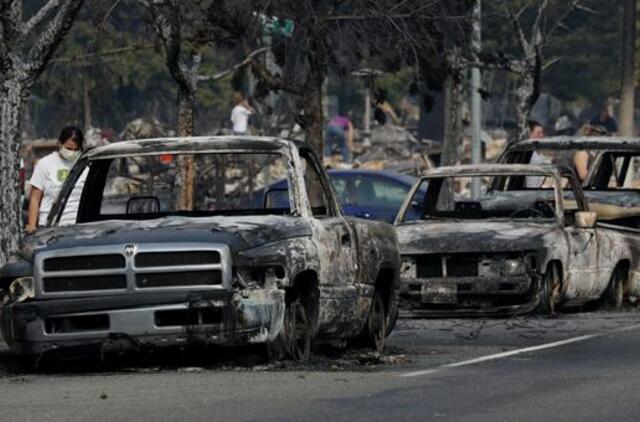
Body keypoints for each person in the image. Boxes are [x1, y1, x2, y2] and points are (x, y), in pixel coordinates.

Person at [27, 127, 85, 233]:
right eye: (68, 148)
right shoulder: (45, 164)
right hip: (49, 226)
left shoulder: (83, 166)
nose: (72, 152)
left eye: (76, 150)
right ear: (59, 144)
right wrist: (31, 227)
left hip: (77, 226)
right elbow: (35, 199)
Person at [526, 121, 548, 188]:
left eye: (542, 133)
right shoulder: (526, 153)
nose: (541, 135)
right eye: (538, 133)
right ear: (530, 134)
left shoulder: (540, 152)